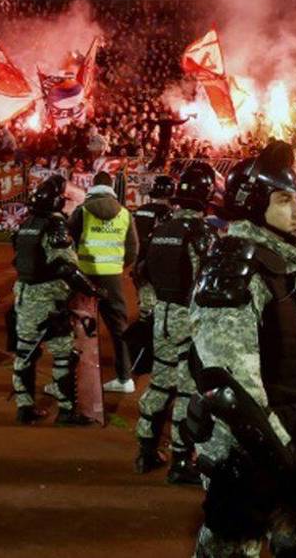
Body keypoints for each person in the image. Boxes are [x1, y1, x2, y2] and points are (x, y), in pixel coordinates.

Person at [188, 141, 296, 558]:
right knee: (235, 543)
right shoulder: (235, 266)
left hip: (287, 436)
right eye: (284, 200)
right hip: (243, 449)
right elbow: (230, 384)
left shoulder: (286, 262)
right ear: (253, 204)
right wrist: (285, 458)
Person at [133, 165, 216, 482]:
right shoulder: (200, 232)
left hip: (162, 313)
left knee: (160, 382)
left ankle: (146, 450)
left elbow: (141, 271)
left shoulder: (162, 228)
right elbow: (204, 280)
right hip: (187, 316)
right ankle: (181, 461)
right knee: (187, 390)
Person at [11, 174, 101, 425]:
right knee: (63, 354)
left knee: (25, 353)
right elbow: (65, 267)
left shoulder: (27, 224)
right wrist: (92, 290)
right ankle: (66, 410)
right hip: (47, 299)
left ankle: (24, 407)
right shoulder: (54, 226)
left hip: (24, 296)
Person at [68, 170, 138, 393]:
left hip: (84, 276)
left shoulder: (82, 211)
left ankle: (71, 378)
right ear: (111, 188)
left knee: (78, 325)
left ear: (93, 186)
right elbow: (133, 248)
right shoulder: (125, 213)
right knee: (119, 327)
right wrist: (117, 265)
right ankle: (125, 378)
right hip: (112, 277)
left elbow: (68, 242)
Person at [132, 174, 176, 319]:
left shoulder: (140, 210)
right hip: (157, 263)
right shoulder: (169, 214)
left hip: (139, 260)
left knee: (144, 304)